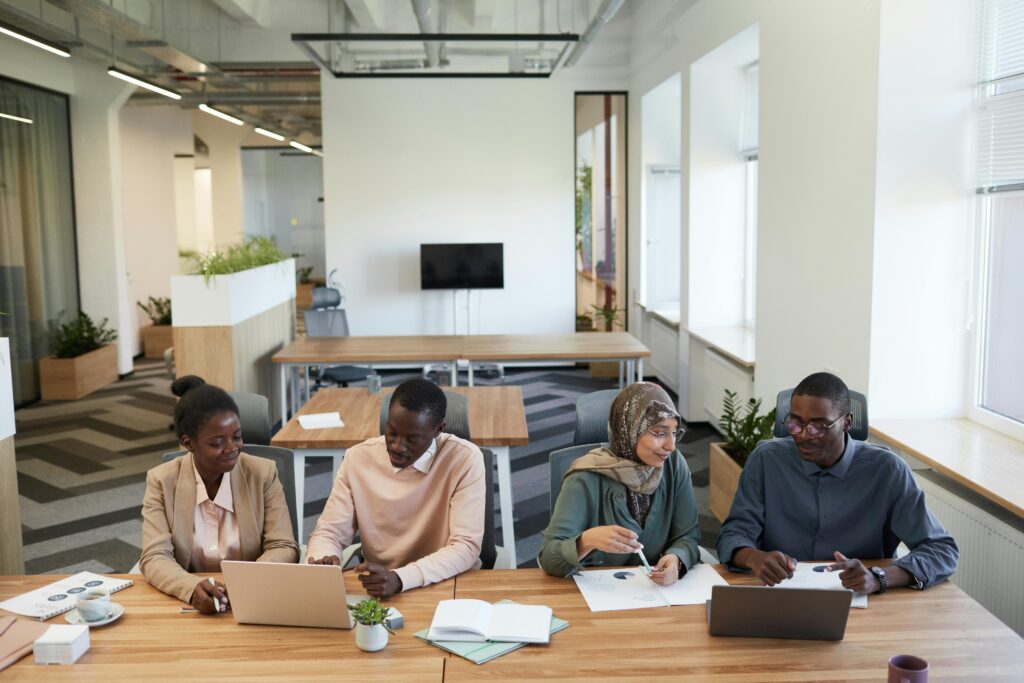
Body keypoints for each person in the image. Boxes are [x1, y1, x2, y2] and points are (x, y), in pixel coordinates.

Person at [716, 372, 959, 594]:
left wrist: (879, 577)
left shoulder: (887, 471)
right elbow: (734, 534)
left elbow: (942, 550)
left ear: (847, 422)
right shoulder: (766, 460)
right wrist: (754, 558)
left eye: (818, 426)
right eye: (795, 422)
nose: (803, 434)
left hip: (863, 602)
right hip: (779, 594)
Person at [306, 379, 485, 598]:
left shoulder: (464, 459)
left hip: (447, 583)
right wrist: (323, 557)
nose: (398, 446)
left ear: (438, 429)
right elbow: (330, 531)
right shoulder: (358, 458)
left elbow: (465, 547)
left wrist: (400, 578)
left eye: (412, 439)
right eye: (391, 432)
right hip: (378, 587)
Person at [140, 376, 298, 613]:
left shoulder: (262, 473)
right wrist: (191, 588)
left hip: (255, 601)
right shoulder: (161, 481)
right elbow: (154, 556)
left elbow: (284, 545)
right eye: (217, 443)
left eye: (236, 436)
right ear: (188, 443)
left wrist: (246, 581)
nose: (232, 448)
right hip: (191, 609)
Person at [538, 382, 701, 585]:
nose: (671, 445)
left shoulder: (674, 465)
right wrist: (586, 541)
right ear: (630, 431)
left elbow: (688, 536)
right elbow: (548, 558)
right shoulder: (586, 476)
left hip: (655, 595)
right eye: (660, 433)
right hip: (596, 597)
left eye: (674, 432)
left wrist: (677, 558)